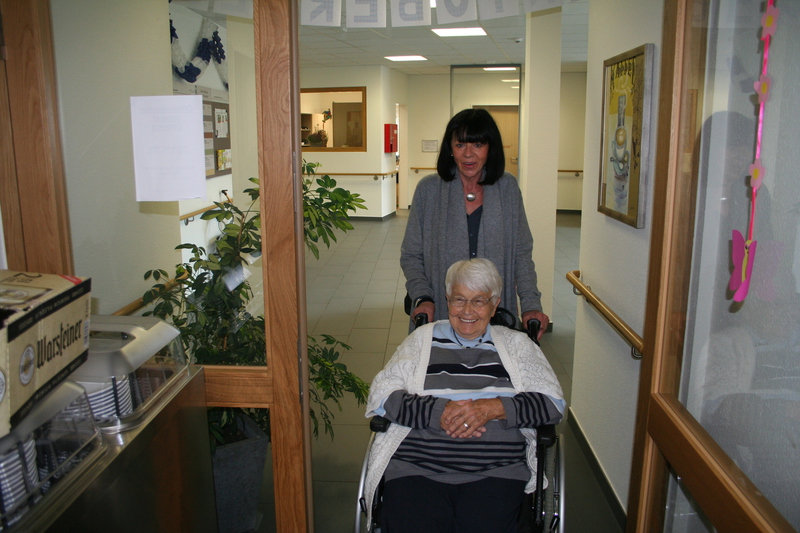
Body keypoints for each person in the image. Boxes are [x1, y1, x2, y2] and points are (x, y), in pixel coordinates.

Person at [364, 258, 564, 532]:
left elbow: (552, 404)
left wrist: (492, 408)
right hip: (418, 468)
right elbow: (382, 395)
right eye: (459, 299)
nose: (468, 310)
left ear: (495, 304)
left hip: (496, 472)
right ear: (447, 300)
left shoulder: (517, 345)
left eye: (479, 301)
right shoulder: (421, 339)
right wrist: (438, 412)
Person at [401, 108, 548, 339]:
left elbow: (521, 253)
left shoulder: (507, 188)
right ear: (450, 148)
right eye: (460, 145)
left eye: (478, 145)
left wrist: (531, 304)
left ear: (490, 148)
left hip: (495, 315)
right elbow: (411, 255)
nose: (468, 154)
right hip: (441, 312)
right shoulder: (429, 190)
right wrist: (423, 297)